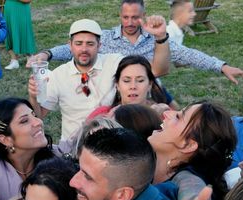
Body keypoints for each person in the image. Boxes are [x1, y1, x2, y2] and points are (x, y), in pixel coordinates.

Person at [31, 0, 243, 85]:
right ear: (120, 17)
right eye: (125, 17)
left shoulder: (155, 39)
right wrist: (47, 54)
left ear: (142, 17)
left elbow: (187, 54)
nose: (129, 22)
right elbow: (79, 47)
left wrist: (222, 66)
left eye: (135, 17)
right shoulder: (106, 38)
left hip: (151, 91)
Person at [28, 18, 163, 142]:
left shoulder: (114, 62)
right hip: (73, 145)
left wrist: (161, 38)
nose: (84, 49)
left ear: (99, 45)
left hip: (109, 142)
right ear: (70, 45)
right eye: (78, 43)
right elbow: (40, 115)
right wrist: (34, 97)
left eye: (90, 44)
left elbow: (152, 71)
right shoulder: (58, 75)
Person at [87, 55, 168, 119]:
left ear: (150, 84)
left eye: (140, 80)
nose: (133, 86)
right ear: (117, 85)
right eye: (126, 81)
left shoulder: (164, 114)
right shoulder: (102, 115)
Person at [3, 0, 35, 70]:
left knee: (24, 31)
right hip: (9, 7)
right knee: (10, 31)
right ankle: (14, 60)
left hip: (21, 8)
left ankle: (30, 58)